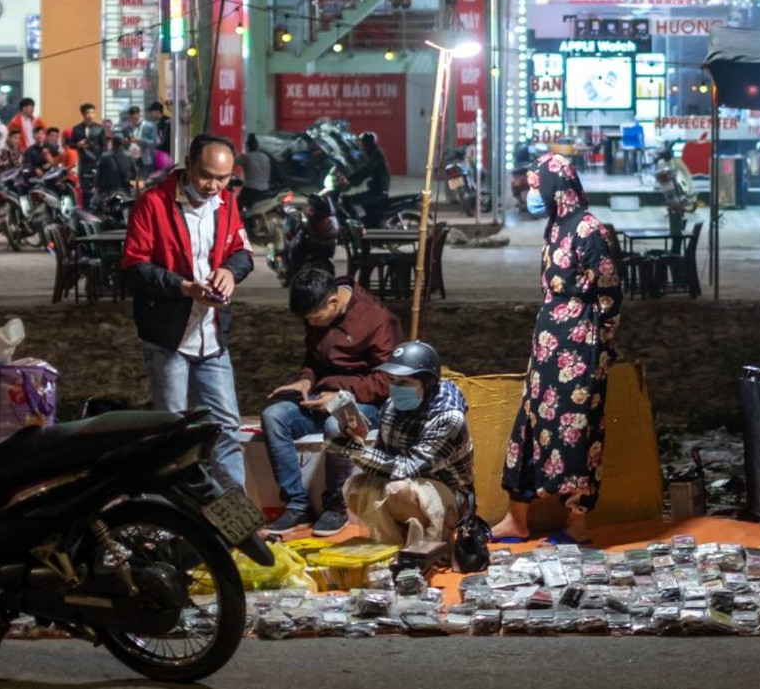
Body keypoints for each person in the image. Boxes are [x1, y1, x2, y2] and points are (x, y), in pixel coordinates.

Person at [496, 153, 622, 543]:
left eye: (537, 186)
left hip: (580, 351)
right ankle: (517, 517)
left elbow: (610, 296)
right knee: (530, 425)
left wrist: (598, 351)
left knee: (575, 433)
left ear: (556, 186)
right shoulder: (556, 226)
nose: (533, 194)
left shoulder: (590, 231)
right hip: (549, 346)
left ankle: (577, 523)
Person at [117, 134, 253, 488]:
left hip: (211, 335)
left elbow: (242, 251)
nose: (214, 186)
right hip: (168, 337)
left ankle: (236, 516)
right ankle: (174, 512)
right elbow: (134, 267)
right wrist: (185, 288)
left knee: (227, 426)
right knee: (173, 432)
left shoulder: (226, 202)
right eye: (207, 175)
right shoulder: (153, 203)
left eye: (223, 178)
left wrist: (229, 272)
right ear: (188, 164)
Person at [262, 267, 399, 538]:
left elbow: (387, 380)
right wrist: (305, 381)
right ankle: (297, 504)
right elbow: (313, 358)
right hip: (321, 396)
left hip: (366, 401)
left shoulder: (376, 318)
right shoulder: (317, 309)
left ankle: (336, 504)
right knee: (274, 416)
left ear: (333, 302)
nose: (311, 324)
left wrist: (340, 396)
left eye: (314, 318)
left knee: (337, 426)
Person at [329, 340, 474, 554]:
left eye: (404, 382)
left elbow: (406, 469)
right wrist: (358, 441)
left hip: (449, 494)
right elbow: (383, 458)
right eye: (392, 381)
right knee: (356, 487)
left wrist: (355, 451)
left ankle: (428, 550)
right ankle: (391, 547)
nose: (396, 388)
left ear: (428, 383)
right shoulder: (392, 406)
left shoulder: (448, 418)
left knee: (398, 491)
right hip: (406, 481)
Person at [345, 130, 390, 215]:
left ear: (368, 143)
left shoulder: (377, 154)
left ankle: (356, 224)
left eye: (363, 143)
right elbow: (366, 171)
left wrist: (349, 178)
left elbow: (367, 169)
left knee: (348, 201)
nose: (361, 145)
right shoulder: (373, 152)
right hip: (375, 187)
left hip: (379, 189)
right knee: (351, 199)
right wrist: (354, 180)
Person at [91, 134, 143, 202]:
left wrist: (95, 187)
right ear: (122, 143)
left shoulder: (105, 156)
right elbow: (135, 172)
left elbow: (99, 173)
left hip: (107, 190)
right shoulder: (128, 157)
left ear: (112, 143)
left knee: (93, 202)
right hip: (124, 190)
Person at [71, 103, 106, 191]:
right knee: (85, 188)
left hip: (96, 161)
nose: (90, 116)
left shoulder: (99, 128)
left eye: (92, 113)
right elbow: (71, 144)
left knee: (98, 187)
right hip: (83, 162)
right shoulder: (77, 129)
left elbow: (104, 146)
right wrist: (78, 144)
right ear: (83, 114)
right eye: (88, 113)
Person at [239, 133, 275, 209]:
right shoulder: (265, 157)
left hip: (250, 188)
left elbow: (232, 162)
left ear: (247, 146)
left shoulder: (246, 157)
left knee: (237, 206)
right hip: (265, 189)